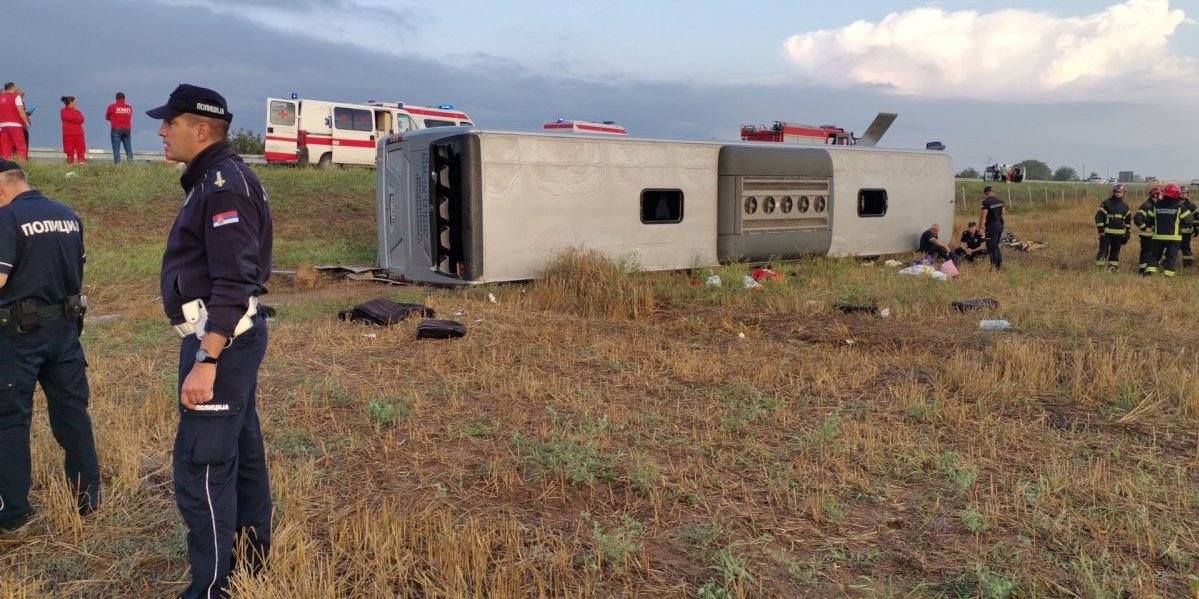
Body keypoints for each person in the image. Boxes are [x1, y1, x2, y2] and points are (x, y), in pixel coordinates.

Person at [149, 84, 273, 598]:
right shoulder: (218, 179)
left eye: (169, 122)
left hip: (220, 340)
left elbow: (234, 277)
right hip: (225, 338)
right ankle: (248, 566)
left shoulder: (222, 185)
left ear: (200, 129)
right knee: (239, 453)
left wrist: (206, 357)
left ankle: (211, 588)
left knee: (202, 465)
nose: (160, 130)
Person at [0, 158, 100, 535]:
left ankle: (10, 515)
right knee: (73, 414)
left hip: (17, 336)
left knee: (9, 422)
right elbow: (78, 267)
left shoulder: (7, 218)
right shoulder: (68, 215)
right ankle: (88, 498)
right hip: (64, 330)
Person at [1143, 184, 1191, 277]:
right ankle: (1168, 276)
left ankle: (1149, 273)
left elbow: (1147, 220)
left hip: (1158, 237)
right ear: (1176, 194)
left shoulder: (1156, 206)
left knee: (1154, 256)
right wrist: (1179, 225)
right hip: (1174, 238)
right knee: (1170, 257)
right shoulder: (1179, 207)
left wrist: (1153, 225)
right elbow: (1189, 220)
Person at [1094, 183, 1130, 269]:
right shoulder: (1106, 203)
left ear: (1124, 193)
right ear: (1114, 192)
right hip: (1106, 233)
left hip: (1119, 234)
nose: (1118, 193)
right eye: (1117, 192)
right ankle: (1100, 268)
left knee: (1115, 252)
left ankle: (1112, 269)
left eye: (1121, 192)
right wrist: (1101, 229)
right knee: (1103, 250)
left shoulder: (1125, 206)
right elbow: (1099, 216)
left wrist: (1127, 232)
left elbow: (1128, 220)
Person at [1133, 186, 1162, 273]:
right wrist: (1145, 228)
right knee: (1146, 253)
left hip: (1152, 234)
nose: (1162, 196)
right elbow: (1137, 218)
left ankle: (1148, 269)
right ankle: (1142, 271)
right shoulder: (1147, 205)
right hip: (1147, 235)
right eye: (1161, 194)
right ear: (1156, 195)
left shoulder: (1154, 205)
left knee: (1151, 253)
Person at [0, 83, 30, 160]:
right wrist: (26, 122)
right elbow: (20, 111)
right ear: (12, 87)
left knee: (5, 148)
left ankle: (5, 167)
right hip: (15, 125)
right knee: (21, 147)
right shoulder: (16, 97)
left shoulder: (0, 97)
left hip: (3, 126)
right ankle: (21, 165)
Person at [978, 186, 1006, 269]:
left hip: (991, 226)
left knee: (991, 246)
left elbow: (983, 216)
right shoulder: (1000, 201)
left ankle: (994, 265)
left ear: (985, 193)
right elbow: (1003, 213)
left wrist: (981, 227)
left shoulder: (986, 202)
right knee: (996, 245)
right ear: (993, 192)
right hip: (999, 224)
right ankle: (999, 263)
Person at [105, 92, 133, 164]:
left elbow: (107, 117)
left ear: (116, 98)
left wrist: (112, 120)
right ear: (124, 98)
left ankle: (117, 164)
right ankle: (130, 163)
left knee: (116, 148)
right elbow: (129, 117)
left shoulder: (111, 107)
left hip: (116, 128)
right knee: (128, 148)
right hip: (127, 129)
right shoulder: (129, 107)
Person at [60, 96, 87, 164]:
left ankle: (81, 165)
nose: (76, 104)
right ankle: (70, 166)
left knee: (81, 151)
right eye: (75, 102)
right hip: (69, 134)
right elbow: (74, 118)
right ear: (71, 102)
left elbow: (82, 119)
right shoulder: (63, 111)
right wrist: (77, 118)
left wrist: (77, 118)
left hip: (78, 134)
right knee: (70, 152)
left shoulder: (77, 111)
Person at [1179, 186, 1195, 269]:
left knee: (1186, 249)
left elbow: (1195, 219)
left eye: (1185, 193)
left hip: (1187, 232)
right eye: (1182, 192)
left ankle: (1188, 266)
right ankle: (1166, 265)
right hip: (1175, 232)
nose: (1183, 194)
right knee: (1171, 249)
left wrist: (1196, 230)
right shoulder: (1174, 204)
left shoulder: (1191, 205)